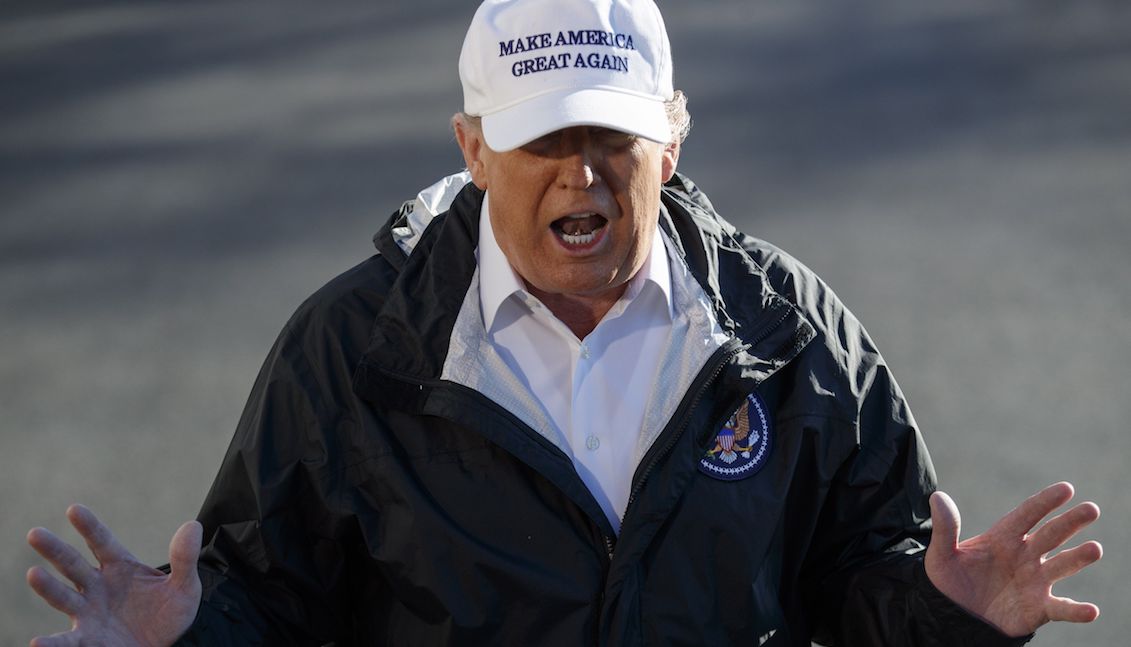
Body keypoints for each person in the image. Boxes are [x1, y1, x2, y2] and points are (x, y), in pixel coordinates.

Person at [26, 0, 1103, 645]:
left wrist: (947, 613)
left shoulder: (790, 336)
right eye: (543, 138)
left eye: (612, 136)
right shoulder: (352, 353)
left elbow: (870, 579)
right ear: (473, 147)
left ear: (672, 142)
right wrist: (191, 634)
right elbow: (267, 603)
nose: (579, 171)